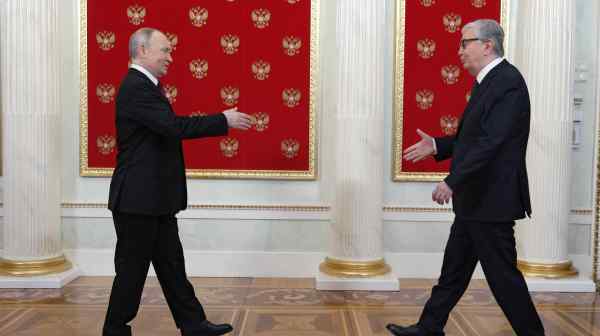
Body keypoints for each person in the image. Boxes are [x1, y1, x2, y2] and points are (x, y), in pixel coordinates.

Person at [386, 19, 545, 336]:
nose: (459, 49)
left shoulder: (508, 83)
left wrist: (452, 181)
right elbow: (474, 139)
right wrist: (437, 145)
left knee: (503, 279)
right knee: (454, 272)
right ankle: (429, 327)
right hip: (476, 201)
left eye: (465, 42)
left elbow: (492, 144)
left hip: (491, 202)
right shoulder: (489, 82)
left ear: (488, 45)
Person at [103, 27, 252, 336]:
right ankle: (115, 329)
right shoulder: (136, 86)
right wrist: (222, 120)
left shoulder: (146, 86)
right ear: (143, 50)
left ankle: (193, 324)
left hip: (154, 199)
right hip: (137, 201)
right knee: (132, 271)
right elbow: (172, 127)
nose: (170, 57)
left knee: (171, 265)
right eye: (165, 50)